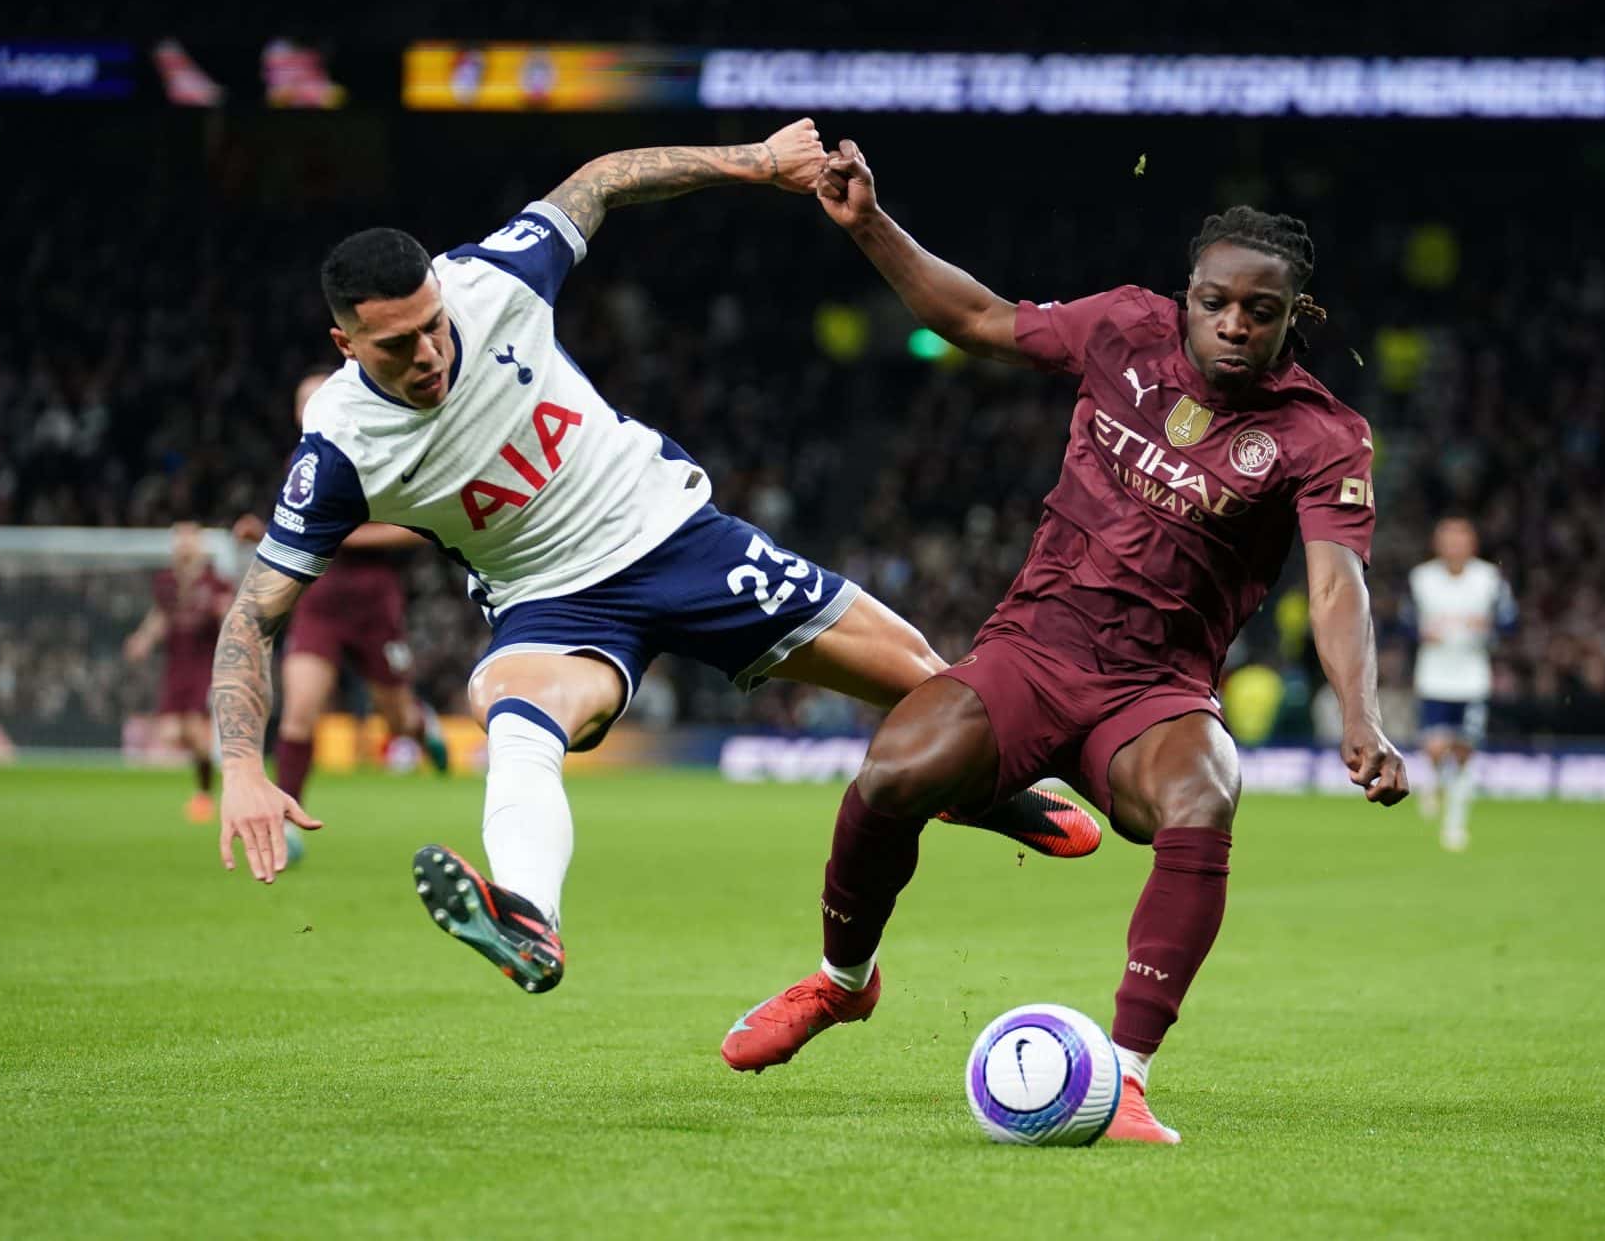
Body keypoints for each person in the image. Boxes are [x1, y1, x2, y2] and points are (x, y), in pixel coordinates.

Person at [208, 120, 1101, 990]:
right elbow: (255, 612)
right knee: (512, 711)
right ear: (344, 346)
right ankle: (527, 917)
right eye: (397, 346)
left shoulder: (492, 280)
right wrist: (242, 768)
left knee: (930, 685)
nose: (430, 354)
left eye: (432, 326)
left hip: (676, 536)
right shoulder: (340, 449)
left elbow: (604, 179)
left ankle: (979, 791)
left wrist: (757, 162)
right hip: (551, 605)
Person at [719, 140, 1407, 1144]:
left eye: (1258, 312)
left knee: (1203, 792)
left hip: (1153, 692)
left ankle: (1122, 1078)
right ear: (1186, 294)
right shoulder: (1122, 328)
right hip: (1031, 650)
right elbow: (972, 318)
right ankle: (839, 983)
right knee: (892, 774)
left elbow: (1335, 584)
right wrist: (866, 221)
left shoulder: (1319, 435)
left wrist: (1361, 718)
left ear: (1293, 317)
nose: (1231, 324)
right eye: (1214, 301)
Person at [233, 370, 451, 868]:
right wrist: (262, 535)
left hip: (375, 605)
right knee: (300, 711)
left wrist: (340, 537)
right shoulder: (303, 464)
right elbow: (293, 532)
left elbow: (418, 529)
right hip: (321, 602)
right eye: (302, 402)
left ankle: (423, 728)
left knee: (396, 718)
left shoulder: (379, 452)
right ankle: (287, 824)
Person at [1404, 516, 1514, 851]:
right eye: (1448, 539)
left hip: (1472, 678)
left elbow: (1509, 620)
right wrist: (1420, 633)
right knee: (1436, 748)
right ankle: (1434, 779)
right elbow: (1406, 621)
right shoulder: (1422, 578)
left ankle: (1455, 824)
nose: (1454, 546)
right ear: (1438, 544)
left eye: (1460, 539)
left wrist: (1490, 629)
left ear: (1472, 544)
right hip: (1434, 677)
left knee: (1465, 751)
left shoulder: (1489, 579)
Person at [124, 522, 234, 822]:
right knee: (173, 731)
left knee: (197, 734)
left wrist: (225, 612)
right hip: (176, 664)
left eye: (189, 540)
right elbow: (160, 615)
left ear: (199, 545)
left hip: (205, 665)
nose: (183, 546)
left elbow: (231, 615)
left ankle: (208, 793)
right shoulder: (167, 583)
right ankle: (215, 779)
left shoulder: (215, 582)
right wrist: (143, 640)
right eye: (179, 541)